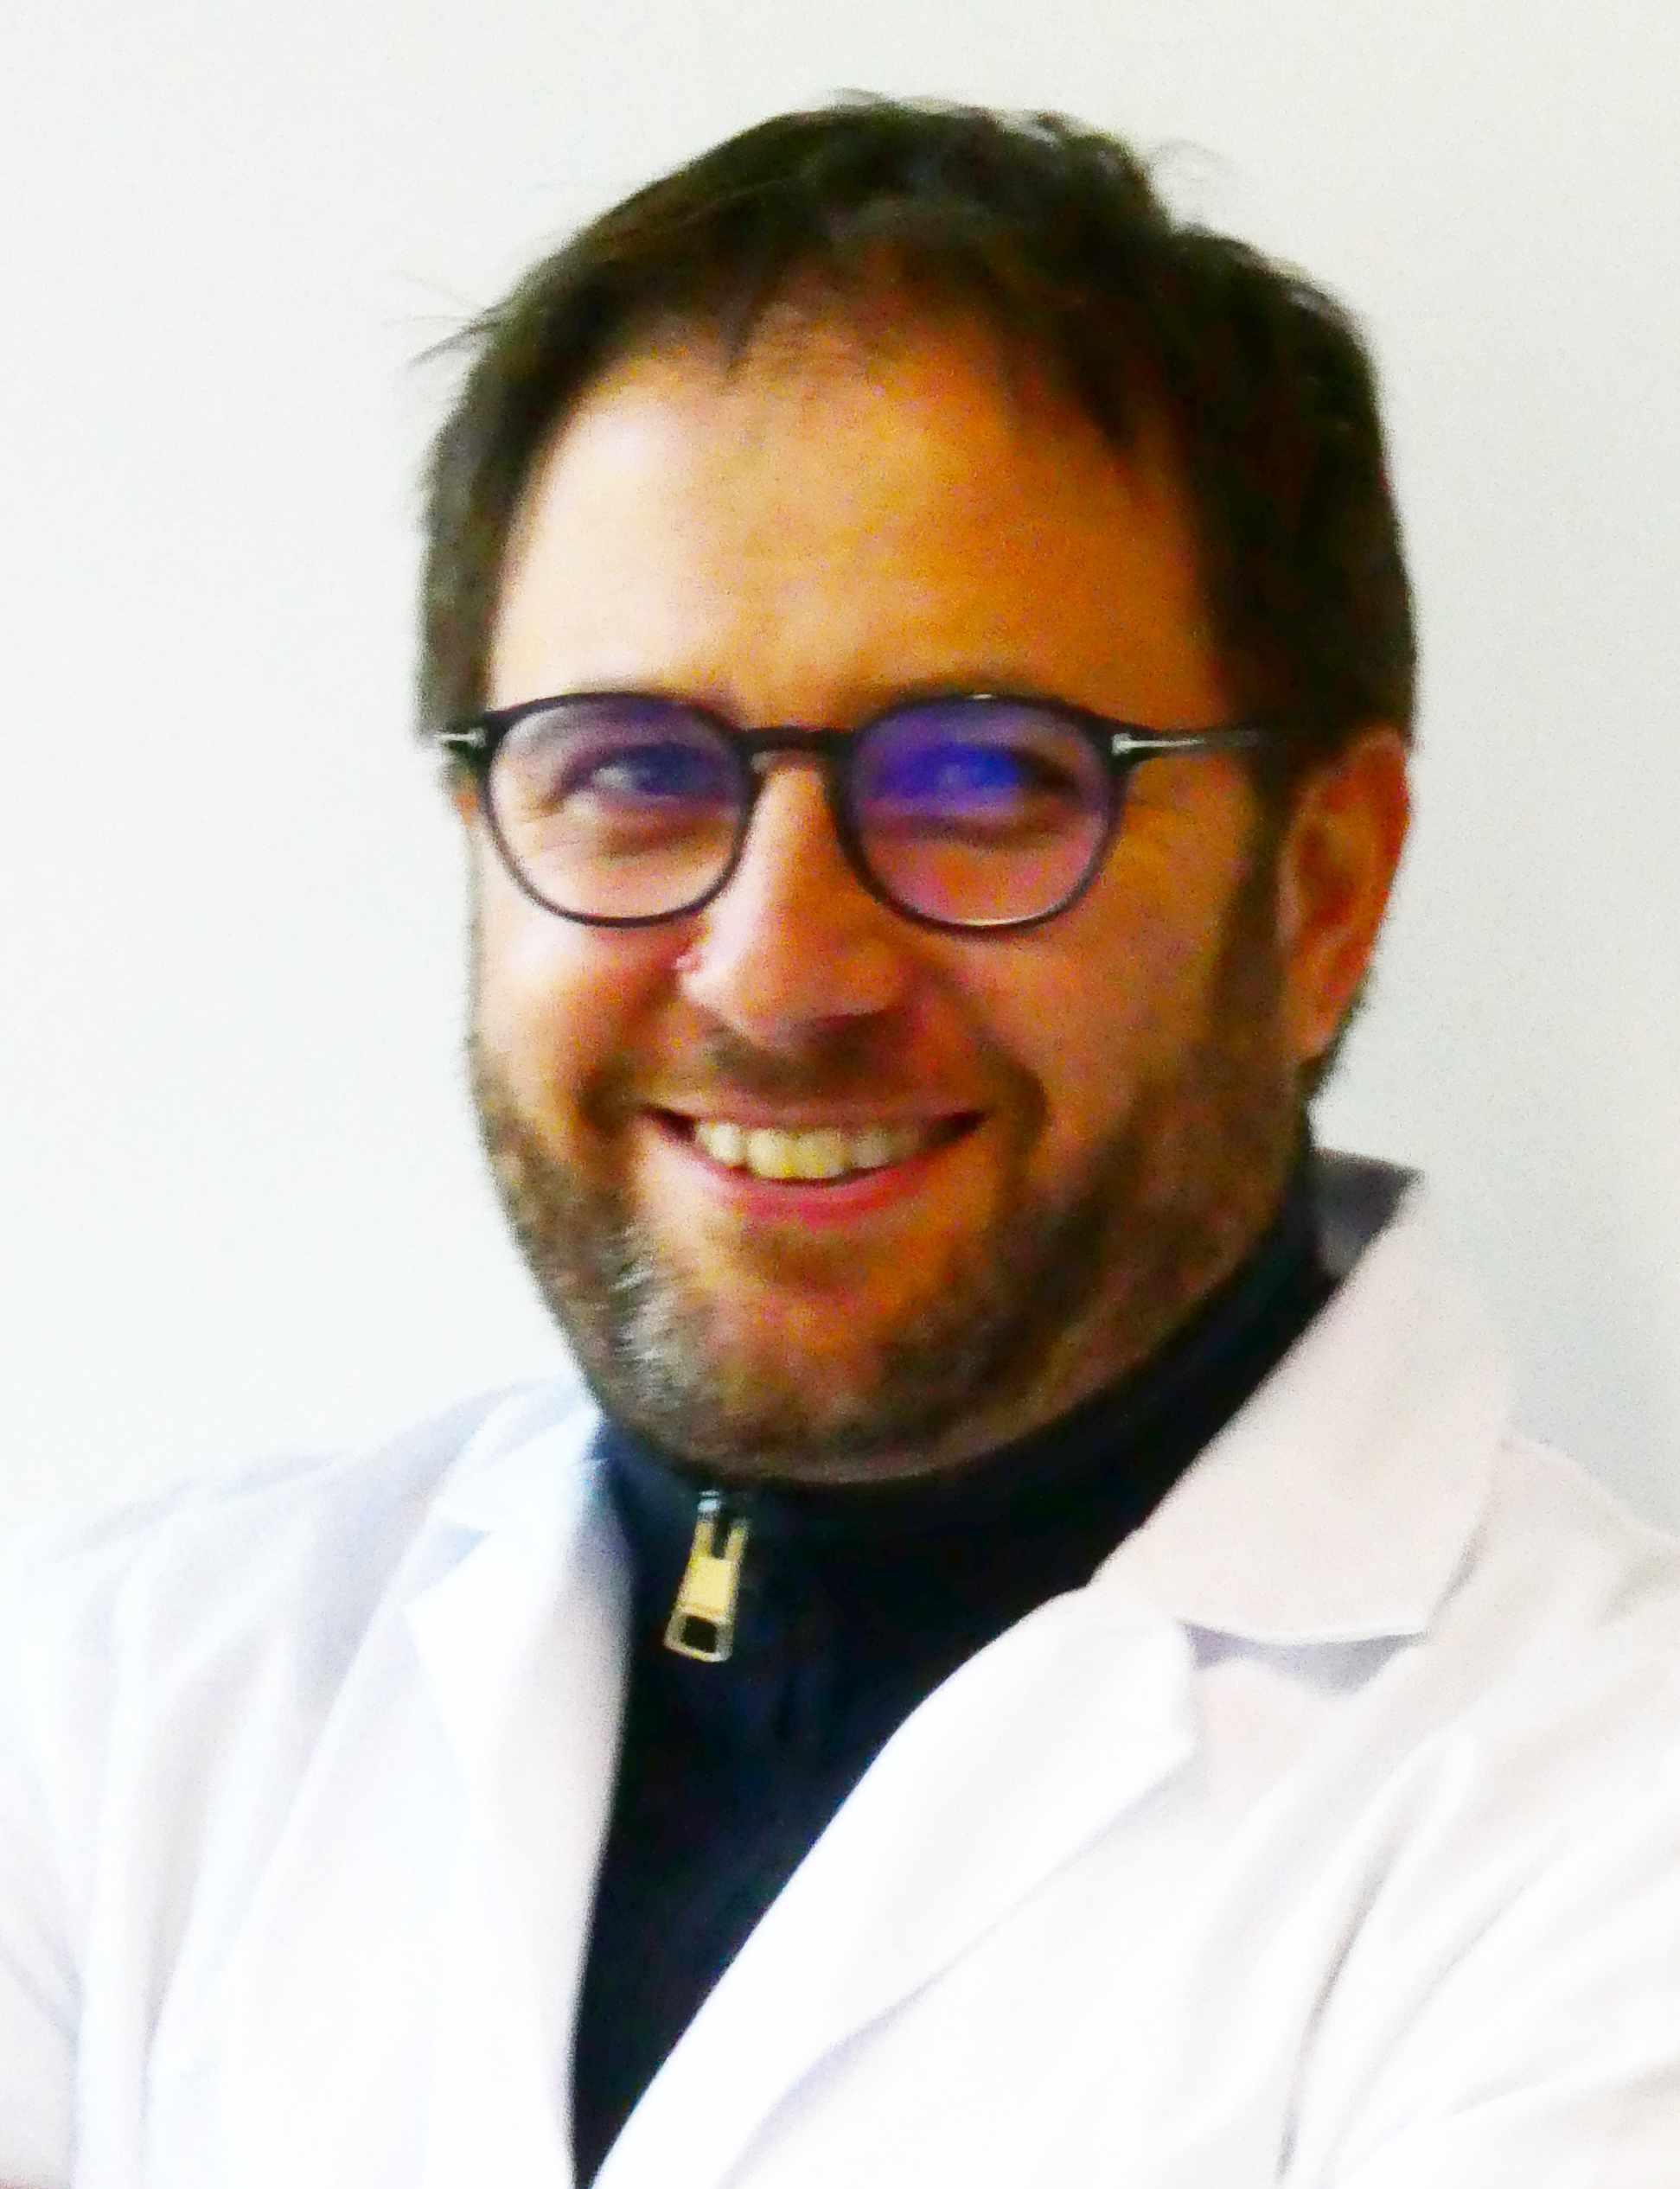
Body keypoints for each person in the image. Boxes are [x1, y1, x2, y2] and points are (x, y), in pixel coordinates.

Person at [2, 95, 1677, 2189]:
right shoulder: (121, 1717)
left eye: (984, 778)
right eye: (633, 771)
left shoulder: (1613, 1834)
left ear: (1318, 890)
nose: (779, 972)